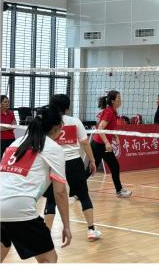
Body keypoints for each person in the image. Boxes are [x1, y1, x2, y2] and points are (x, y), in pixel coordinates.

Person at [0, 105, 70, 262]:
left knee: (2, 245)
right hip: (18, 208)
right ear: (58, 127)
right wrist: (66, 226)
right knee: (48, 259)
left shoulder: (16, 142)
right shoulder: (54, 148)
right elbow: (60, 192)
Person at [43, 93, 102, 241]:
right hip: (73, 163)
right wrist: (92, 161)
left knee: (51, 199)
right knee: (84, 195)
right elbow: (85, 142)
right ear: (67, 107)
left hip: (53, 162)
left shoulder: (47, 121)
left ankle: (46, 234)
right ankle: (91, 230)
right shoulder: (75, 121)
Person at [89, 90, 132, 198]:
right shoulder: (108, 112)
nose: (120, 100)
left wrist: (115, 136)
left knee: (108, 167)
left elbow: (109, 128)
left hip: (99, 144)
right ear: (113, 101)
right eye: (118, 98)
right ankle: (119, 191)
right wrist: (107, 143)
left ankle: (119, 191)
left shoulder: (113, 111)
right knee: (109, 166)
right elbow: (100, 128)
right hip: (100, 144)